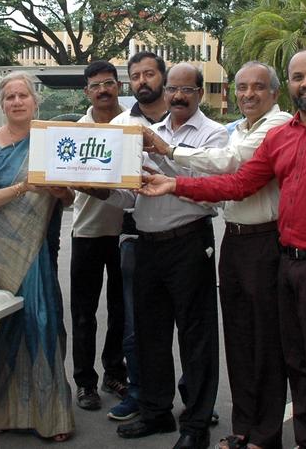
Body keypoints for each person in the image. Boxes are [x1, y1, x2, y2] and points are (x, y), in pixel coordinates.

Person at [141, 49, 306, 449]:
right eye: (299, 77)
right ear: (290, 85)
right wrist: (174, 185)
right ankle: (279, 437)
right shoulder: (283, 135)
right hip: (285, 262)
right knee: (293, 362)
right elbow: (238, 185)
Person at [143, 62, 292, 449]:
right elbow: (222, 184)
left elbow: (232, 168)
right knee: (240, 340)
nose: (248, 94)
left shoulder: (277, 126)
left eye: (258, 87)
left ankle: (265, 435)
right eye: (241, 87)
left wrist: (170, 156)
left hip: (265, 240)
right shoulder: (239, 129)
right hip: (236, 239)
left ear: (275, 93)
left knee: (265, 343)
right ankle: (243, 428)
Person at [97, 63, 227, 449]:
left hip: (190, 243)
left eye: (187, 89)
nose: (178, 96)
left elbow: (212, 190)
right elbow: (129, 195)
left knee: (195, 336)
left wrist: (164, 152)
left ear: (201, 93)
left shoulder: (214, 134)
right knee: (150, 334)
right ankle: (156, 413)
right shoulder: (137, 131)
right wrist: (94, 188)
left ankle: (196, 425)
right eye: (173, 89)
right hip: (146, 242)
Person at [0, 72, 75, 442]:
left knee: (42, 321)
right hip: (0, 246)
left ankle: (50, 416)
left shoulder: (50, 141)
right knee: (5, 329)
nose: (17, 102)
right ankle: (1, 410)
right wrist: (24, 186)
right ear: (2, 104)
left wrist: (61, 191)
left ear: (36, 101)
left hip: (38, 243)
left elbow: (68, 198)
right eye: (10, 97)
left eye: (23, 96)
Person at [103, 51, 171, 424]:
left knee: (187, 328)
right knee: (134, 325)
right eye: (136, 76)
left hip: (182, 236)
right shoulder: (118, 125)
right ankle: (138, 394)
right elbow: (114, 185)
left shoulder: (181, 118)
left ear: (162, 76)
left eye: (149, 74)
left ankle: (195, 400)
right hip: (134, 236)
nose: (143, 81)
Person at [70, 61, 128, 412]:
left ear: (118, 86)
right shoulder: (77, 132)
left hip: (128, 232)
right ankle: (84, 382)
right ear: (86, 92)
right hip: (88, 231)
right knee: (83, 313)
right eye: (96, 85)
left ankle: (114, 371)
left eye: (109, 82)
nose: (103, 89)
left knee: (122, 309)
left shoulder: (134, 125)